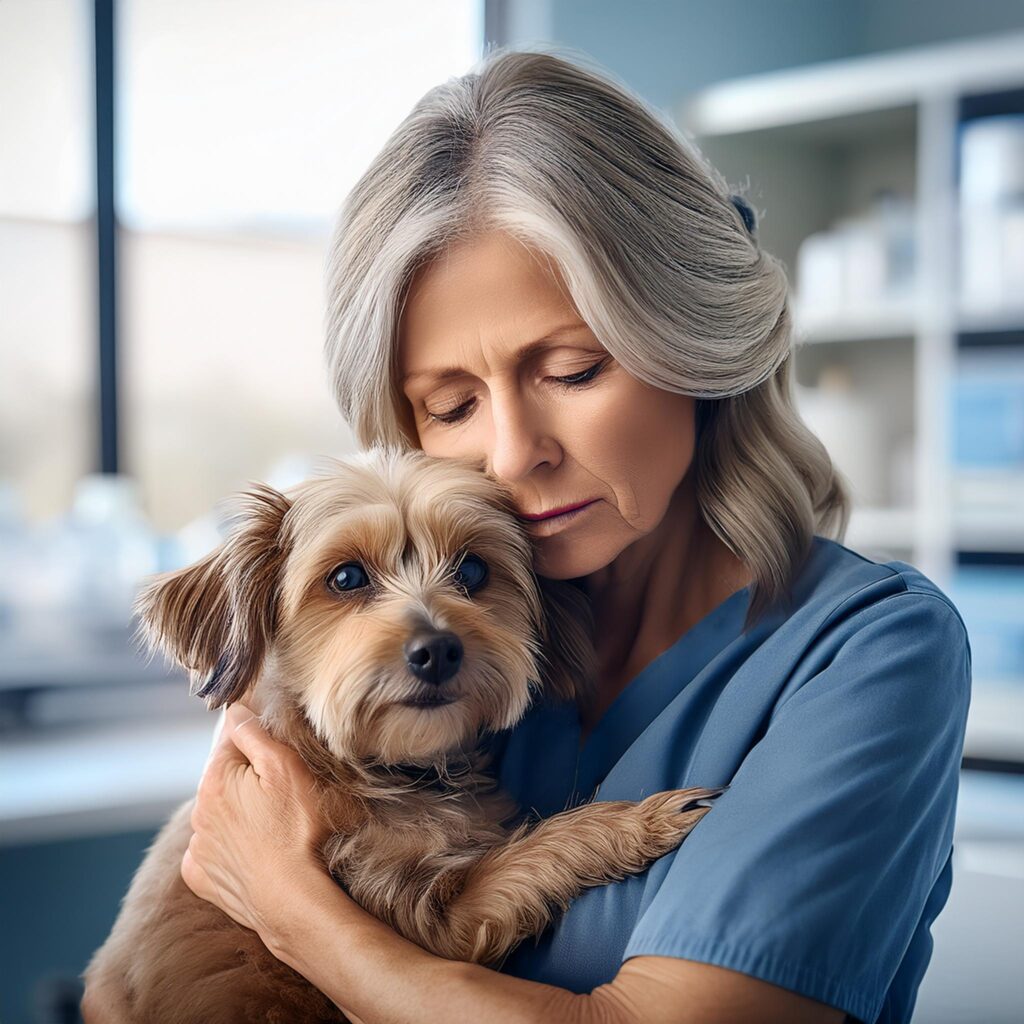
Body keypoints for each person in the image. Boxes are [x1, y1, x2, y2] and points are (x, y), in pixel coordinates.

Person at [85, 45, 972, 1024]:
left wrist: (298, 913)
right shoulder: (448, 664)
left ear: (691, 343)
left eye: (572, 370)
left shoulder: (869, 651)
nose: (511, 453)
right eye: (452, 402)